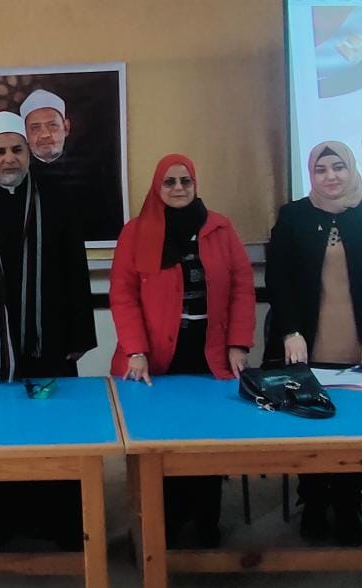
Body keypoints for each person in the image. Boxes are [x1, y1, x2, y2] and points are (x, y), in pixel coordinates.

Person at [0, 111, 96, 548]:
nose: (9, 159)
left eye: (16, 150)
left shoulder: (57, 197)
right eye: (0, 151)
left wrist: (80, 335)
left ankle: (55, 521)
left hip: (48, 337)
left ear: (28, 153)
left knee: (51, 427)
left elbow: (75, 269)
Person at [264, 140, 362, 545]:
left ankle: (348, 502)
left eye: (338, 168)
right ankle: (313, 500)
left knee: (358, 426)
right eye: (321, 169)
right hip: (307, 343)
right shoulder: (293, 216)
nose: (331, 176)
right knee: (307, 425)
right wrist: (290, 331)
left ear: (351, 170)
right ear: (311, 174)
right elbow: (279, 279)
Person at [109, 154, 256, 547]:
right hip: (155, 357)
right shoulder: (135, 232)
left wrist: (238, 344)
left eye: (185, 181)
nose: (178, 188)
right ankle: (166, 523)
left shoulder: (220, 228)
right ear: (157, 187)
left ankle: (207, 521)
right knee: (160, 440)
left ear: (195, 184)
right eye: (170, 182)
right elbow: (123, 296)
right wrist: (135, 350)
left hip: (209, 352)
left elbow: (242, 288)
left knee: (207, 439)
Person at [19, 88, 124, 244]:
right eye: (35, 127)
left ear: (66, 127)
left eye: (52, 125)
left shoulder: (93, 174)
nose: (45, 134)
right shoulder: (17, 178)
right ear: (24, 133)